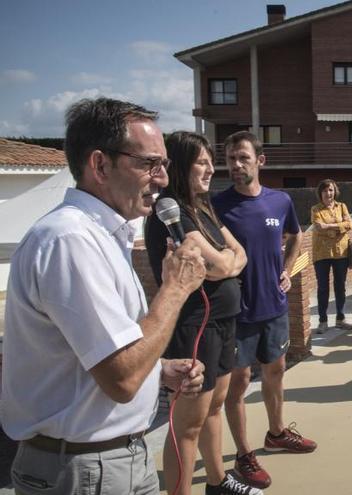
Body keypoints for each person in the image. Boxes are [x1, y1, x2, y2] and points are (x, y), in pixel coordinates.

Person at [0, 97, 206, 495]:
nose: (163, 179)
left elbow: (91, 354)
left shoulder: (101, 237)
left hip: (113, 459)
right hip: (82, 470)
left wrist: (159, 371)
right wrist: (175, 288)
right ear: (99, 165)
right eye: (150, 164)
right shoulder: (70, 240)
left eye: (163, 165)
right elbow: (123, 378)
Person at [144, 132, 252, 495]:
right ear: (180, 166)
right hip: (195, 326)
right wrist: (229, 263)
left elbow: (239, 253)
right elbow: (222, 263)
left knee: (215, 406)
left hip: (223, 323)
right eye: (201, 162)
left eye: (210, 161)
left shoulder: (203, 208)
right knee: (188, 423)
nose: (210, 169)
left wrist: (230, 263)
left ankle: (218, 482)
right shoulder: (170, 210)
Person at [213, 131, 316, 490]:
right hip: (237, 313)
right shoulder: (217, 205)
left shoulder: (280, 201)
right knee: (238, 383)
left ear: (261, 160)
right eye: (229, 158)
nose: (236, 164)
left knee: (276, 370)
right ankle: (243, 455)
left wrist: (286, 270)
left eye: (243, 157)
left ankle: (276, 433)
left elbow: (297, 235)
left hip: (273, 307)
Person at [310, 179, 352, 333]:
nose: (328, 193)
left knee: (340, 286)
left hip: (340, 253)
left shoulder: (342, 206)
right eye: (325, 191)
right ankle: (323, 321)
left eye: (330, 190)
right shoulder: (315, 209)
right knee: (323, 288)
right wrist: (338, 228)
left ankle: (340, 319)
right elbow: (318, 227)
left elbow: (349, 224)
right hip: (321, 254)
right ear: (320, 193)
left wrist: (329, 227)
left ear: (334, 191)